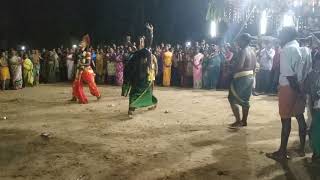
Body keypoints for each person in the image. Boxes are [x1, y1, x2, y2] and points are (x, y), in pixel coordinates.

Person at [266, 27, 310, 161]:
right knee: (300, 116)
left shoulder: (286, 50)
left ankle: (282, 152)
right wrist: (301, 92)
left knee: (285, 120)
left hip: (289, 87)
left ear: (287, 35)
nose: (279, 36)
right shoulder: (304, 49)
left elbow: (290, 76)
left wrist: (297, 91)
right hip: (300, 86)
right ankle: (302, 149)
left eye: (281, 34)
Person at [122, 23, 158, 116]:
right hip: (135, 77)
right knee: (133, 93)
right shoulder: (135, 54)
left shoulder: (145, 52)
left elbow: (149, 42)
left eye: (142, 41)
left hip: (144, 76)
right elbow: (129, 65)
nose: (141, 43)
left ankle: (152, 103)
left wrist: (151, 32)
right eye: (140, 41)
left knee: (147, 91)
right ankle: (131, 109)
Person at [228, 33, 256, 128]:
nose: (238, 42)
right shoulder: (253, 51)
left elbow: (239, 66)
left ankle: (238, 121)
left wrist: (230, 67)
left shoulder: (243, 51)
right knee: (245, 100)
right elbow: (255, 66)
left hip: (242, 78)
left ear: (244, 41)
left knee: (231, 99)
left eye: (239, 40)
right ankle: (244, 121)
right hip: (250, 77)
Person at [71, 34, 101, 104]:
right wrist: (75, 51)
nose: (80, 43)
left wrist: (81, 65)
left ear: (86, 44)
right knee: (76, 84)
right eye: (81, 42)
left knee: (91, 84)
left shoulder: (88, 52)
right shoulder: (78, 52)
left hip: (86, 70)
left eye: (82, 42)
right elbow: (74, 59)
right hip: (79, 70)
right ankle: (76, 97)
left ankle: (98, 95)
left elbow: (88, 63)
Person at [304, 52, 320, 163]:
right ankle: (316, 152)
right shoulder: (311, 75)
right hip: (315, 107)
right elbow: (308, 93)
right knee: (314, 130)